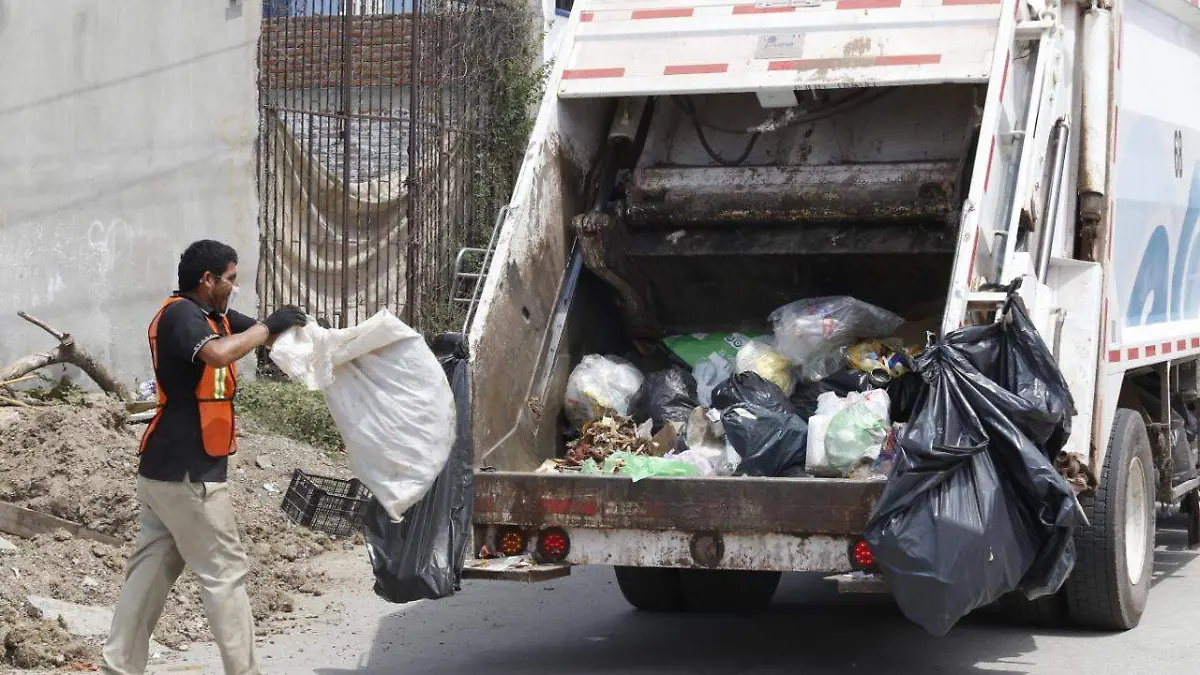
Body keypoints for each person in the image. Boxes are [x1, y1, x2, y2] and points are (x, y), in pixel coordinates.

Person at [100, 240, 307, 675]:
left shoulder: (215, 316)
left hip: (168, 471)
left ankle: (118, 666)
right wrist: (268, 326)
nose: (234, 287)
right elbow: (219, 353)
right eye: (229, 279)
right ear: (207, 280)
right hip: (189, 473)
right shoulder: (181, 317)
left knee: (151, 570)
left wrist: (309, 337)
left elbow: (260, 337)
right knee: (225, 571)